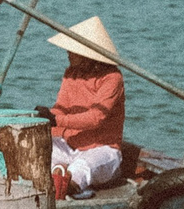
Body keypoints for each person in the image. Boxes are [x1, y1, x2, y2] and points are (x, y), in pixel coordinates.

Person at [41, 16, 127, 197]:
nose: (68, 53)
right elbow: (60, 108)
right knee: (39, 151)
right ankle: (57, 174)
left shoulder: (112, 78)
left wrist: (55, 119)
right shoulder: (71, 74)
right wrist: (46, 117)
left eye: (73, 50)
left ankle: (64, 186)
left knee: (83, 167)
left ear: (87, 54)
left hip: (101, 148)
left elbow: (96, 118)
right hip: (69, 145)